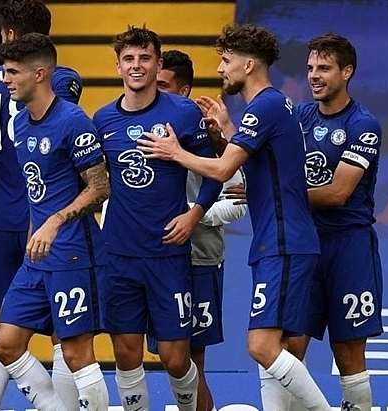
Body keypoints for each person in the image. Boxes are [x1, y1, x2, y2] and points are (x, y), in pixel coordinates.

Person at [136, 24, 332, 411]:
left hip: (284, 242)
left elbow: (224, 170)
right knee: (276, 347)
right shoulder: (274, 106)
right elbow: (257, 166)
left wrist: (175, 152)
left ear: (249, 64)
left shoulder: (265, 106)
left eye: (226, 61)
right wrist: (228, 132)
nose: (221, 68)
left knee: (261, 346)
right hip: (278, 241)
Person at [0, 1, 83, 409]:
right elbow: (61, 127)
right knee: (65, 328)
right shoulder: (61, 78)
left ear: (7, 34)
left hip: (5, 217)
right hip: (48, 217)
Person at [93, 26, 223, 411]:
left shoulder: (182, 113)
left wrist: (194, 215)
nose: (136, 65)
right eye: (129, 59)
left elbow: (215, 172)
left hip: (168, 254)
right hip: (119, 253)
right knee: (126, 354)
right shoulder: (102, 119)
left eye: (144, 58)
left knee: (175, 357)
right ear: (118, 66)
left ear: (157, 63)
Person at [0, 33, 109, 410]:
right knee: (5, 344)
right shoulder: (20, 124)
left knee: (75, 354)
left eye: (12, 72)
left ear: (39, 74)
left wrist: (55, 222)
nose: (5, 80)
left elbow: (100, 188)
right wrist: (33, 237)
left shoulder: (73, 122)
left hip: (73, 255)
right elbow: (36, 192)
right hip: (36, 259)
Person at [286, 33, 383, 411]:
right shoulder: (299, 117)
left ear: (347, 72)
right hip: (303, 245)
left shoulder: (364, 124)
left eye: (324, 68)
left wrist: (275, 192)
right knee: (290, 346)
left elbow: (337, 192)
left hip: (348, 247)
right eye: (310, 67)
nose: (314, 75)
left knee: (348, 351)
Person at [154, 49, 248, 411]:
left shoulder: (209, 136)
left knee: (192, 358)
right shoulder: (138, 129)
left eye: (163, 85)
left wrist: (194, 216)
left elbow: (239, 201)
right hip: (154, 259)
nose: (154, 91)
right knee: (170, 358)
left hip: (199, 261)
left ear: (184, 91)